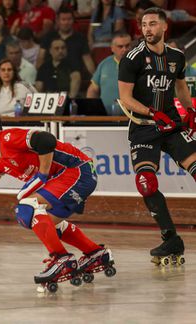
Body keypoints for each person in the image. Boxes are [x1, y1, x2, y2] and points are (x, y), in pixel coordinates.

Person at [0, 109, 114, 287]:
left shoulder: (7, 139)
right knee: (44, 221)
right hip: (70, 177)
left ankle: (61, 259)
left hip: (77, 170)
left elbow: (46, 139)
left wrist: (42, 174)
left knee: (27, 208)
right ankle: (95, 253)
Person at [118, 7, 196, 264]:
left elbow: (181, 86)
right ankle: (171, 239)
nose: (147, 29)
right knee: (146, 182)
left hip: (171, 124)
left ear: (164, 27)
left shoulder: (177, 56)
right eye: (143, 24)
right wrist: (151, 112)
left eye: (152, 24)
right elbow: (126, 99)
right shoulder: (132, 58)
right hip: (143, 126)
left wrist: (192, 111)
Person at [87, 31, 131, 115]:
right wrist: (92, 111)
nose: (124, 49)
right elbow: (92, 90)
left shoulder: (138, 64)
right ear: (112, 48)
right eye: (120, 46)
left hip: (131, 118)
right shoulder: (104, 63)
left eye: (127, 45)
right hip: (105, 117)